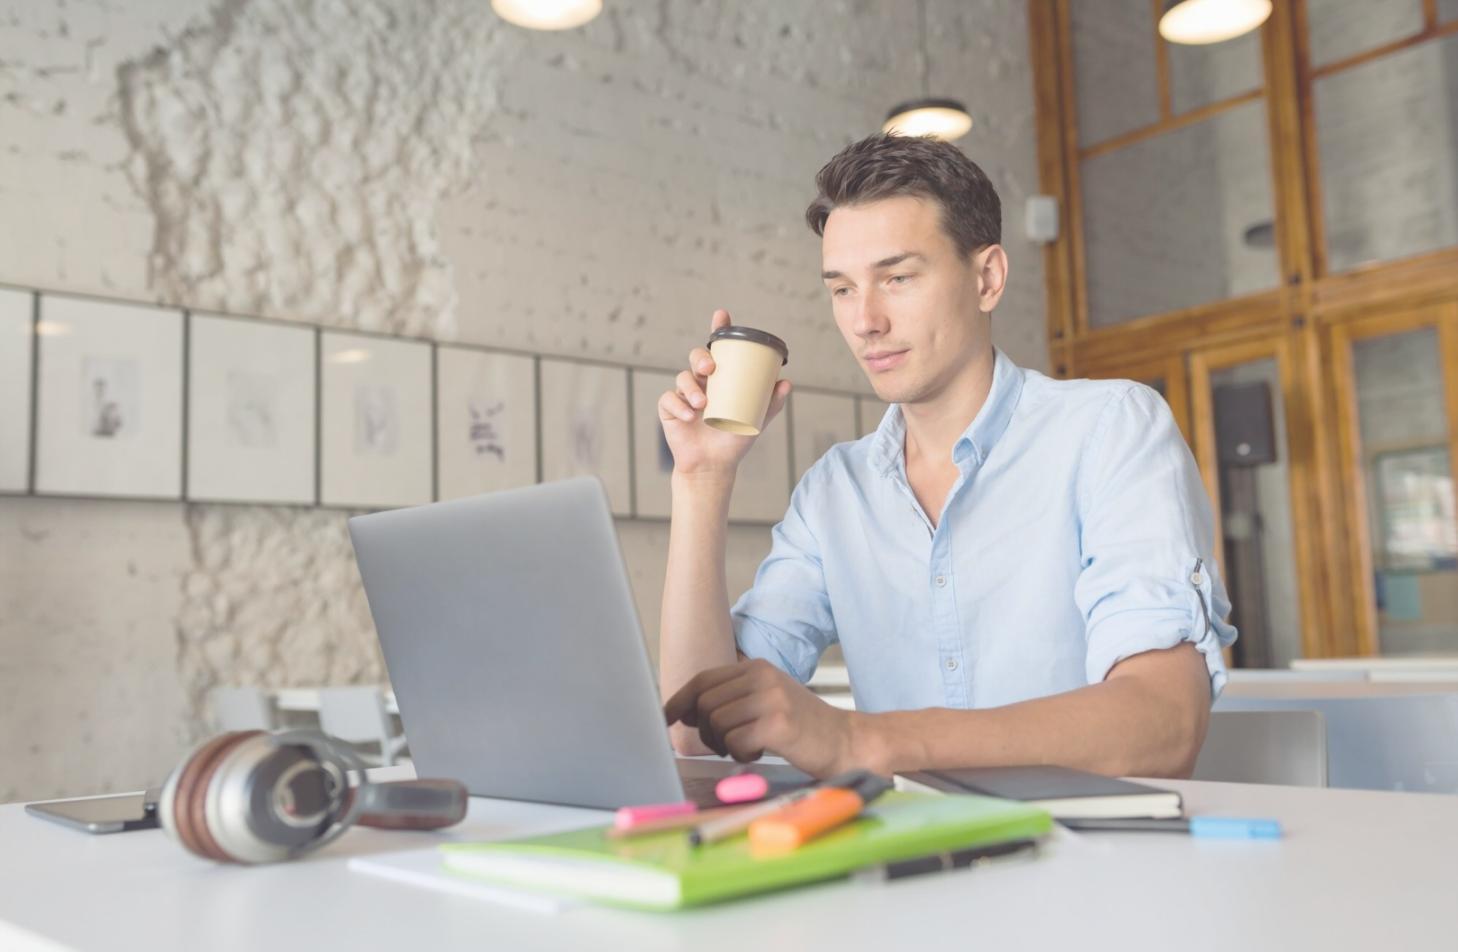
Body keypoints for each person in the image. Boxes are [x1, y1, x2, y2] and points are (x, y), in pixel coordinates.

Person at [657, 133, 1237, 781]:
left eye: (897, 278)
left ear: (986, 277)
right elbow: (696, 735)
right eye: (843, 289)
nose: (864, 320)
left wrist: (862, 741)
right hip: (904, 870)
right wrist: (702, 478)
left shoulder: (1110, 430)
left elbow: (1164, 724)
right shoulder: (834, 493)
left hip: (1087, 863)